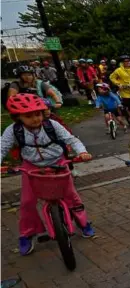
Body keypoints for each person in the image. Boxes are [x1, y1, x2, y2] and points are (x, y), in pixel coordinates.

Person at [0, 94, 95, 256]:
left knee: (71, 196)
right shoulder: (13, 130)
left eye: (37, 114)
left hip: (58, 162)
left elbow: (71, 139)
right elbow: (2, 146)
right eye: (28, 116)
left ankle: (83, 222)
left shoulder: (52, 125)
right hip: (31, 166)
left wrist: (82, 152)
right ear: (17, 117)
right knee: (27, 202)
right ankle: (27, 234)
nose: (35, 119)